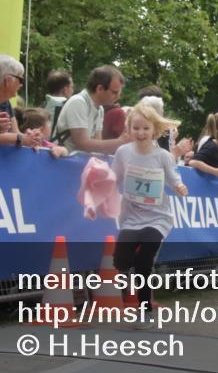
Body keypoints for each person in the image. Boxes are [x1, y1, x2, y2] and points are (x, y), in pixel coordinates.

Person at [111, 102, 188, 329]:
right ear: (129, 129)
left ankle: (145, 311)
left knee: (144, 261)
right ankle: (136, 269)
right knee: (120, 261)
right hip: (131, 218)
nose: (141, 133)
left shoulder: (162, 156)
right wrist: (97, 192)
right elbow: (113, 178)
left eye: (145, 128)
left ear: (154, 130)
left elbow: (173, 178)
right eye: (136, 128)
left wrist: (180, 187)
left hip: (158, 218)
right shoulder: (123, 153)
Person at [53, 65, 131, 155]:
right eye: (114, 92)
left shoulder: (99, 108)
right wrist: (121, 142)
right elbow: (83, 144)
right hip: (62, 162)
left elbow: (97, 145)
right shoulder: (78, 102)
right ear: (99, 89)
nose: (118, 97)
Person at [0, 55, 42, 148]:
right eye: (21, 80)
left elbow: (15, 133)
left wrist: (30, 137)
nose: (21, 85)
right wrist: (20, 138)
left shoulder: (5, 102)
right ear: (8, 80)